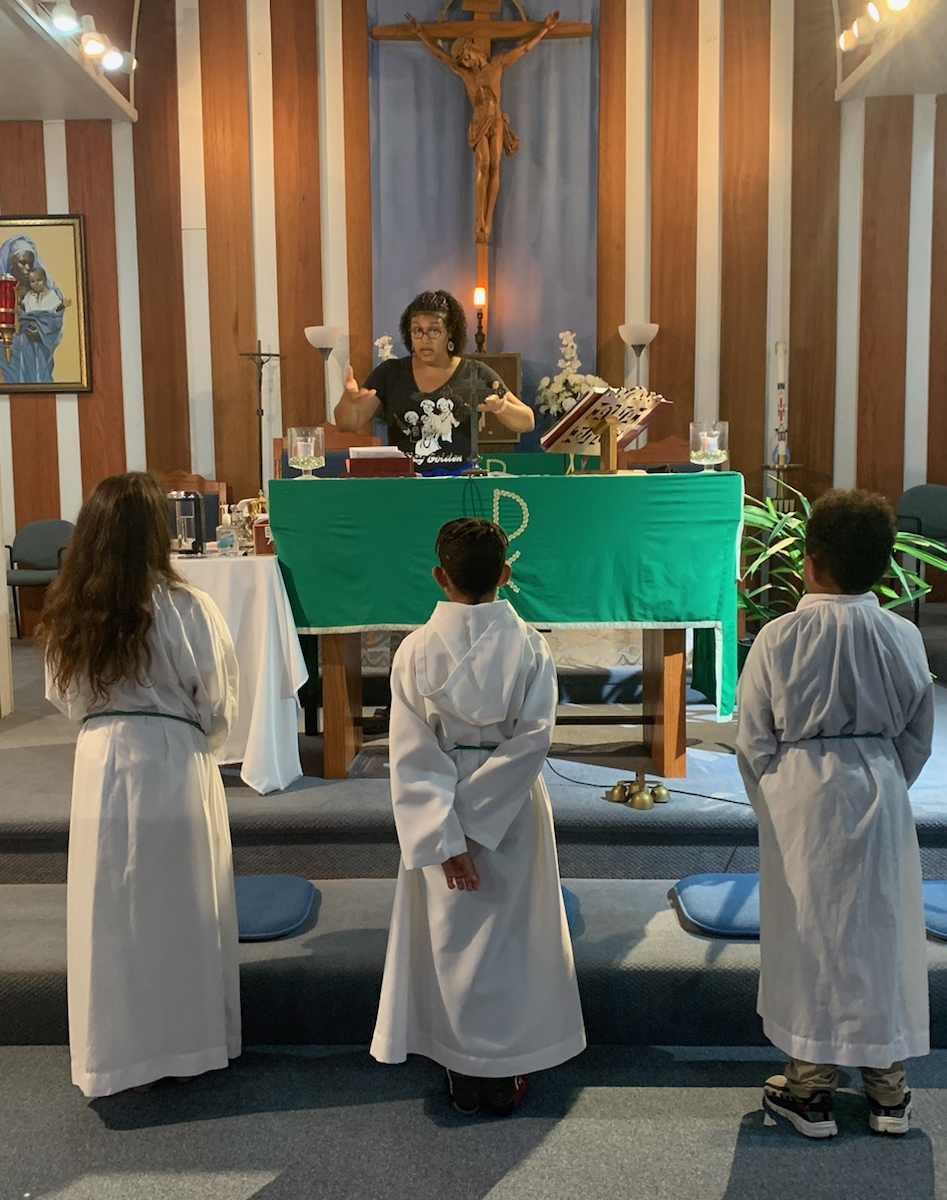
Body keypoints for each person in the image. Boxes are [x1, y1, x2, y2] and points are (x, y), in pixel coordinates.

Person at [733, 490, 934, 1138]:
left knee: (808, 933)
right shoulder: (901, 635)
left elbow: (754, 738)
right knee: (881, 930)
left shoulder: (780, 636)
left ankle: (811, 1088)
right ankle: (887, 1091)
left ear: (809, 562)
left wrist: (778, 797)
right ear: (883, 565)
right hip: (878, 787)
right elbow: (918, 733)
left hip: (803, 797)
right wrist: (883, 778)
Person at [371, 517, 584, 1116]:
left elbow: (410, 754)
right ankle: (506, 1066)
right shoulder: (530, 646)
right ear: (507, 575)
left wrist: (446, 833)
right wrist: (480, 823)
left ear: (439, 576)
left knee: (450, 934)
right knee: (512, 935)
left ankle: (460, 1065)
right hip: (510, 809)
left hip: (436, 807)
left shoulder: (414, 650)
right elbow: (533, 741)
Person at [39, 471, 242, 1098]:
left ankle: (115, 1054)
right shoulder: (187, 607)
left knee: (112, 909)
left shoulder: (72, 610)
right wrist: (194, 739)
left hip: (102, 759)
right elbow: (218, 700)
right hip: (173, 758)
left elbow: (63, 695)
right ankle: (191, 1041)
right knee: (181, 904)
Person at [335, 289, 535, 474]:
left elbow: (527, 421)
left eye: (434, 330)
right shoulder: (391, 372)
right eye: (417, 330)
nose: (424, 338)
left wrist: (501, 407)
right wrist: (348, 400)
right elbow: (348, 423)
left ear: (450, 332)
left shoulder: (474, 372)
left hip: (460, 481)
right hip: (406, 482)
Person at [406, 11, 559, 243]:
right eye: (461, 60)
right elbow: (439, 55)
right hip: (479, 124)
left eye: (465, 56)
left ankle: (487, 220)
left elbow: (524, 49)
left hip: (496, 122)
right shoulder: (466, 75)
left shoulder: (497, 64)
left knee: (495, 165)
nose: (463, 61)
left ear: (472, 49)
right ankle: (479, 220)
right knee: (484, 164)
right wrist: (421, 33)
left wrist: (545, 29)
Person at [0, 234, 65, 384]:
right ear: (11, 264)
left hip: (37, 354)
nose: (27, 268)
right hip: (9, 354)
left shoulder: (44, 291)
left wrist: (42, 332)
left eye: (30, 264)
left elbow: (54, 320)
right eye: (22, 263)